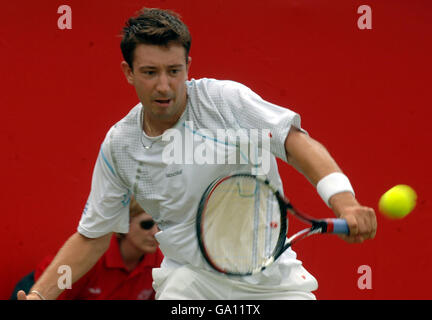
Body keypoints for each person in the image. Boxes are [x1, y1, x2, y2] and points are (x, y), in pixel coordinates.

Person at [19, 7, 377, 300]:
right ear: (128, 73)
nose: (164, 85)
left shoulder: (226, 102)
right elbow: (93, 236)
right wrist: (39, 297)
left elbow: (293, 142)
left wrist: (344, 202)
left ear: (188, 65)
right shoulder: (121, 146)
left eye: (174, 71)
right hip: (190, 285)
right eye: (150, 72)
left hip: (275, 283)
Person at [16, 197, 163, 300]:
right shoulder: (89, 257)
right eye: (146, 225)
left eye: (160, 225)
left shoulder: (159, 262)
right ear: (123, 223)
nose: (156, 232)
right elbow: (51, 293)